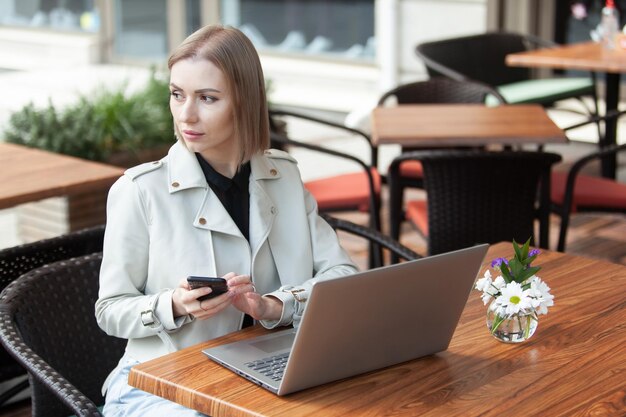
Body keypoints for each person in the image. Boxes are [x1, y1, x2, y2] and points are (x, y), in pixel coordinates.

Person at [95, 24, 358, 417]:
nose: (187, 114)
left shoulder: (283, 175)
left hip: (263, 369)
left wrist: (274, 306)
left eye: (207, 98)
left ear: (245, 101)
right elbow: (110, 310)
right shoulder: (139, 190)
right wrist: (175, 305)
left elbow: (343, 275)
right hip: (160, 382)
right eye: (177, 95)